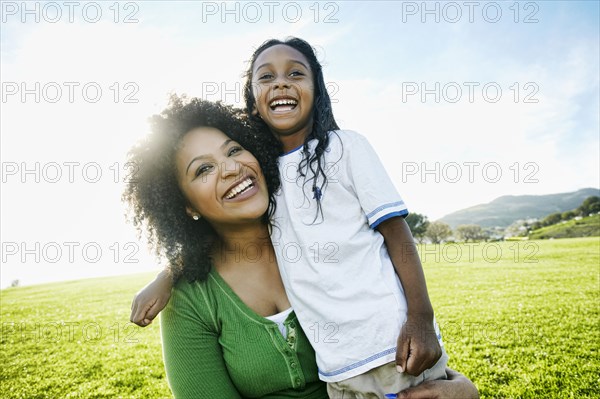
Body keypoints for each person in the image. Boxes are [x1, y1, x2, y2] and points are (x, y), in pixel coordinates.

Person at [131, 37, 470, 397]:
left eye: (233, 149)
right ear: (185, 205)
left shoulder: (321, 179)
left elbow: (393, 241)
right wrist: (170, 273)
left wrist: (462, 385)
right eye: (203, 170)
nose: (230, 168)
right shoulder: (193, 297)